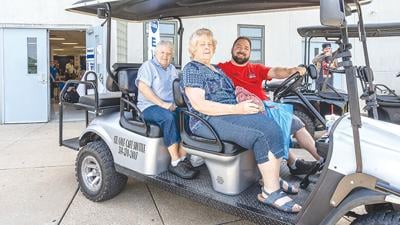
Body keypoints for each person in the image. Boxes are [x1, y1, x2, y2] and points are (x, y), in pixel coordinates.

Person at [182, 28, 301, 213]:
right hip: (206, 119)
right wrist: (238, 109)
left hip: (228, 113)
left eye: (209, 44)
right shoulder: (193, 69)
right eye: (201, 44)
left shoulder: (217, 70)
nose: (206, 47)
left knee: (274, 123)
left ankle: (271, 178)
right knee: (264, 132)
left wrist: (250, 103)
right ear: (193, 49)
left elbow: (233, 94)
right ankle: (270, 192)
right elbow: (199, 105)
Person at [218, 36, 324, 175]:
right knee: (287, 122)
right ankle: (293, 163)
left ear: (250, 53)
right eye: (238, 46)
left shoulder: (255, 68)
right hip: (246, 109)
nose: (242, 50)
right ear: (232, 49)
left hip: (266, 105)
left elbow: (276, 71)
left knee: (295, 123)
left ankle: (321, 160)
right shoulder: (221, 69)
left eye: (246, 48)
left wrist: (292, 70)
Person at [136, 40, 198, 179]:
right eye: (162, 52)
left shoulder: (172, 69)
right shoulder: (148, 66)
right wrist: (163, 104)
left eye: (169, 53)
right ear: (156, 53)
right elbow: (143, 88)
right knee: (168, 118)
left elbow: (178, 89)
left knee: (189, 116)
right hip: (149, 106)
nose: (165, 56)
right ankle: (175, 162)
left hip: (170, 105)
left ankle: (183, 158)